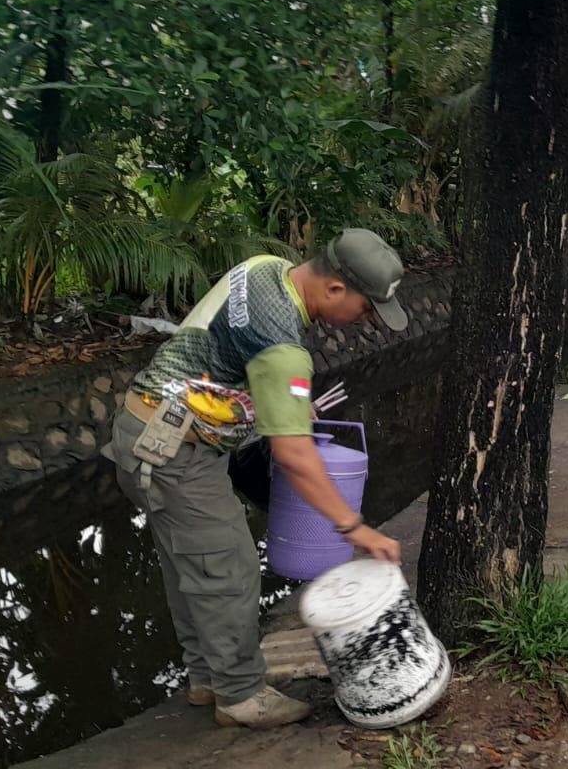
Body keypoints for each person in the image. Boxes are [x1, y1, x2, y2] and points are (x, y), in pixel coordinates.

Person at [104, 229, 407, 728]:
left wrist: (276, 403)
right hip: (177, 450)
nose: (365, 320)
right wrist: (354, 528)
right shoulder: (284, 348)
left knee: (192, 568)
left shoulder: (264, 268)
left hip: (144, 428)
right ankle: (241, 697)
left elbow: (221, 345)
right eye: (366, 307)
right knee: (230, 568)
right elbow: (293, 454)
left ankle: (206, 679)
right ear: (334, 289)